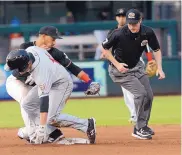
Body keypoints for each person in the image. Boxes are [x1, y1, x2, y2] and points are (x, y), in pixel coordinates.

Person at [5, 26, 96, 144]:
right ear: (43, 36)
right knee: (27, 104)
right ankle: (36, 133)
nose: (54, 42)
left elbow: (44, 100)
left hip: (56, 83)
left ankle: (84, 125)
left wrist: (89, 81)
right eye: (52, 38)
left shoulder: (47, 62)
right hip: (28, 81)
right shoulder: (29, 48)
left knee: (50, 116)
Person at [101, 9, 165, 140]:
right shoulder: (118, 33)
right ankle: (138, 128)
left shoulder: (148, 32)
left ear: (140, 21)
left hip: (137, 67)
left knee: (149, 96)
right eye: (130, 23)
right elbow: (104, 48)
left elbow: (157, 50)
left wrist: (160, 67)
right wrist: (117, 64)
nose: (132, 26)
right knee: (140, 94)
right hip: (120, 71)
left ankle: (143, 125)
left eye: (135, 23)